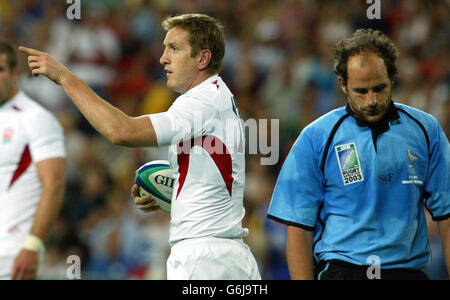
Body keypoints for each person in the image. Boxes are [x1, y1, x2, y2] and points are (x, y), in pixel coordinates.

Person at [19, 13, 261, 280]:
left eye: (175, 49)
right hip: (227, 256)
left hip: (204, 260)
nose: (163, 58)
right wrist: (171, 197)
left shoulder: (200, 101)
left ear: (202, 59)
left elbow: (121, 131)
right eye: (164, 48)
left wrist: (65, 78)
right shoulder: (219, 98)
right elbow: (216, 177)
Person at [267, 29, 449, 280]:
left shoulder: (426, 131)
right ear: (343, 84)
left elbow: (448, 215)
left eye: (379, 88)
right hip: (343, 270)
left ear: (393, 77)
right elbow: (298, 227)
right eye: (361, 91)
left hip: (407, 272)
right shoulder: (317, 137)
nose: (372, 100)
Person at [0, 40, 66, 280]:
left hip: (12, 253)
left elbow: (55, 184)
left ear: (14, 73)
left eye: (0, 70)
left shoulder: (36, 118)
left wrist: (33, 245)